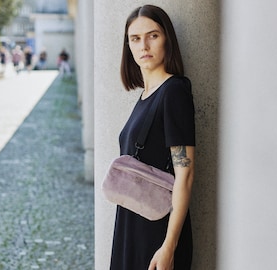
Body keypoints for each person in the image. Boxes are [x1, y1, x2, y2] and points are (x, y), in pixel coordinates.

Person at [110, 5, 195, 270]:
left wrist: (169, 246)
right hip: (130, 226)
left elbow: (186, 174)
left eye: (153, 35)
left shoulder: (174, 92)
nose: (144, 45)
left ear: (167, 39)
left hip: (156, 235)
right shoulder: (146, 96)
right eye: (135, 39)